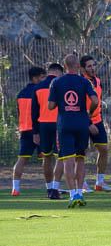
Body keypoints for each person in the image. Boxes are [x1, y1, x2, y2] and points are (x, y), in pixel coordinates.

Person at [48, 54, 98, 208]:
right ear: (78, 66)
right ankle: (81, 193)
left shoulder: (56, 82)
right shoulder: (84, 81)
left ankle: (72, 195)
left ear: (64, 66)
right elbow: (95, 100)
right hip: (82, 123)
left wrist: (61, 102)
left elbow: (50, 106)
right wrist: (89, 112)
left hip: (65, 124)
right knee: (80, 158)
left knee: (68, 160)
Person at [11, 66, 46, 196]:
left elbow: (19, 112)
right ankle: (51, 185)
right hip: (38, 129)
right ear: (35, 78)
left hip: (25, 130)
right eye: (42, 77)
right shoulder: (38, 92)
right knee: (47, 158)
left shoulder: (20, 93)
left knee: (22, 159)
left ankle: (15, 188)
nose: (44, 80)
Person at [79, 55, 111, 192]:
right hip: (83, 121)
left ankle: (100, 182)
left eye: (93, 65)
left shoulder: (98, 81)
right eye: (89, 66)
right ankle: (81, 183)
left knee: (103, 150)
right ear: (82, 69)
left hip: (97, 120)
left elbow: (97, 101)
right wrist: (88, 122)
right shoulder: (80, 82)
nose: (92, 68)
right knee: (81, 153)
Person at [32, 62, 63, 199]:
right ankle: (56, 188)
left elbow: (34, 112)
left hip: (43, 125)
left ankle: (49, 188)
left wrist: (35, 132)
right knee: (61, 157)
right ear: (58, 72)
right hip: (58, 124)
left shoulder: (37, 87)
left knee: (46, 157)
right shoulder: (60, 84)